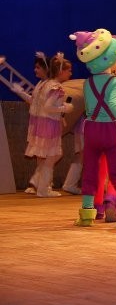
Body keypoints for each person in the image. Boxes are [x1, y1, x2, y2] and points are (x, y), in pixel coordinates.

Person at [69, 28, 116, 228]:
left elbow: (90, 108)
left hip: (91, 130)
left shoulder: (87, 83)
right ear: (110, 60)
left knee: (90, 172)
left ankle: (86, 214)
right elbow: (113, 105)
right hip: (111, 129)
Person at [18, 53, 74, 197]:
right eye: (68, 70)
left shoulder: (46, 84)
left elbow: (40, 104)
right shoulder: (56, 87)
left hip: (44, 123)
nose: (70, 73)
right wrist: (65, 108)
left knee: (49, 156)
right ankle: (42, 188)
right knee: (52, 155)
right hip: (49, 124)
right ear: (60, 71)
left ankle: (39, 183)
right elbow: (48, 107)